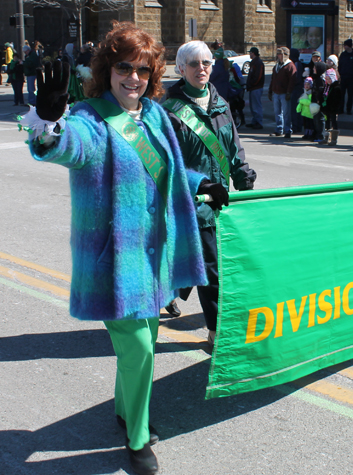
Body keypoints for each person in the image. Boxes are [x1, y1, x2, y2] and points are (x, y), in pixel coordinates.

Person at [20, 21, 218, 474]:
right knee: (142, 350)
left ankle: (124, 408)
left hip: (153, 255)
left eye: (143, 70)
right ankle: (137, 438)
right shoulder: (90, 117)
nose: (134, 77)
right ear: (107, 70)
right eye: (124, 67)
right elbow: (66, 146)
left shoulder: (153, 115)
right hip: (114, 259)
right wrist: (49, 122)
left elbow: (165, 176)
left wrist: (201, 182)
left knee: (139, 345)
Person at [164, 40, 257, 345]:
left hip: (221, 200)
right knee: (212, 268)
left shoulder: (220, 102)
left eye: (206, 63)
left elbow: (233, 146)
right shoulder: (171, 111)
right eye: (193, 64)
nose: (201, 68)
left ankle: (169, 288)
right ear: (181, 69)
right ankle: (216, 331)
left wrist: (243, 175)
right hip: (193, 203)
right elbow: (168, 163)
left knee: (208, 263)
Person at [268, 46, 297, 138]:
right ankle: (279, 129)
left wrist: (289, 92)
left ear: (285, 55)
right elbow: (273, 79)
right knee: (277, 112)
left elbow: (292, 80)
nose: (278, 56)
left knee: (286, 113)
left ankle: (288, 130)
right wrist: (270, 90)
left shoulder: (290, 66)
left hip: (284, 93)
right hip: (276, 92)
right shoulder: (276, 66)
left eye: (280, 54)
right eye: (278, 54)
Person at [338, 39, 353, 115]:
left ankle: (349, 109)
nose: (344, 47)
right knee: (341, 94)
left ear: (349, 46)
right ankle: (341, 109)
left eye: (345, 45)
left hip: (351, 77)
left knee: (350, 95)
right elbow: (340, 65)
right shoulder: (343, 55)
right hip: (343, 77)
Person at [245, 46, 265, 129]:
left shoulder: (258, 63)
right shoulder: (254, 62)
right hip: (253, 87)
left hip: (256, 87)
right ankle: (255, 121)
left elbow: (258, 76)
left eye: (250, 53)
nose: (249, 54)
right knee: (253, 106)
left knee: (256, 106)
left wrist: (252, 84)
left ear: (253, 53)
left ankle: (259, 122)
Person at [321, 68, 342, 146]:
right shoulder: (327, 86)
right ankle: (326, 138)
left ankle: (334, 139)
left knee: (334, 122)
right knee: (327, 122)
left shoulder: (336, 87)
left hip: (333, 108)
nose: (328, 80)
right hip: (327, 108)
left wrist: (335, 107)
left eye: (329, 78)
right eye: (327, 79)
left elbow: (338, 99)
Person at [310, 60, 327, 143]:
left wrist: (318, 99)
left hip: (318, 101)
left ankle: (321, 135)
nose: (313, 69)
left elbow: (320, 91)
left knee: (320, 119)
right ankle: (317, 134)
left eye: (315, 67)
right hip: (315, 101)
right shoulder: (316, 77)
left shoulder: (320, 79)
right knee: (316, 119)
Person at [290, 48, 304, 135]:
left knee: (295, 108)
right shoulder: (299, 63)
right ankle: (298, 126)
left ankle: (296, 126)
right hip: (298, 88)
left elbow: (296, 78)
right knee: (297, 108)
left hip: (296, 88)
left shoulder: (296, 64)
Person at [296, 76, 314, 141]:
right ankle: (306, 134)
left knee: (310, 124)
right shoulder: (304, 92)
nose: (306, 86)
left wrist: (301, 101)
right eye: (305, 84)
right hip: (304, 112)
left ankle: (310, 134)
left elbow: (309, 102)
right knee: (305, 124)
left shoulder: (311, 93)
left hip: (309, 113)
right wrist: (299, 108)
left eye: (308, 84)